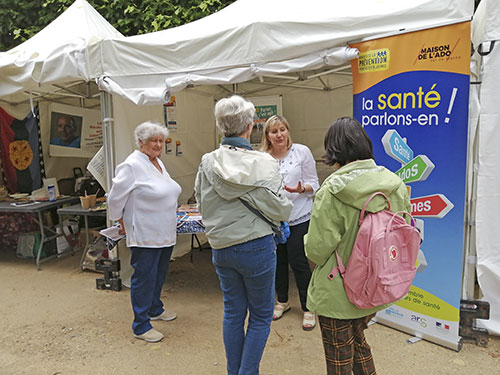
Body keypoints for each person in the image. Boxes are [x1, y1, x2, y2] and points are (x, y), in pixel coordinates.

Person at [305, 117, 411, 375]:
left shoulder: (331, 190)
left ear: (333, 150)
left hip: (338, 289)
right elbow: (405, 228)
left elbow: (317, 249)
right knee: (359, 343)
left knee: (339, 359)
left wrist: (306, 242)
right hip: (376, 284)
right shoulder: (394, 183)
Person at [195, 95, 292, 375]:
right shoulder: (264, 163)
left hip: (222, 248)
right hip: (256, 246)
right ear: (250, 127)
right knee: (261, 316)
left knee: (233, 313)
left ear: (220, 127)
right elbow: (279, 207)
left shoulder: (207, 162)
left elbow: (201, 204)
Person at [107, 121, 181, 343]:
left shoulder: (158, 162)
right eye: (153, 140)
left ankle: (154, 309)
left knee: (159, 273)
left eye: (161, 140)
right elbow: (114, 198)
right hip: (145, 232)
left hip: (164, 231)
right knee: (144, 277)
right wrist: (119, 220)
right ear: (141, 142)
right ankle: (140, 325)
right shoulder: (131, 165)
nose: (158, 145)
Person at [260, 115, 319, 331]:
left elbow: (315, 183)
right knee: (277, 262)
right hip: (273, 219)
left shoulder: (302, 152)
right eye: (274, 132)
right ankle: (282, 301)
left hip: (299, 215)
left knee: (299, 261)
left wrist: (302, 189)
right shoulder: (262, 157)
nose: (279, 135)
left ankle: (308, 307)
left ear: (288, 131)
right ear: (267, 136)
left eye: (282, 129)